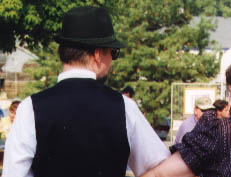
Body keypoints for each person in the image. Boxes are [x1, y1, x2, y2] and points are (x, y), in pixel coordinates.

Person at [2, 6, 170, 177]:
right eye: (114, 53)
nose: (112, 60)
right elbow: (161, 168)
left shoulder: (30, 108)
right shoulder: (124, 107)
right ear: (97, 54)